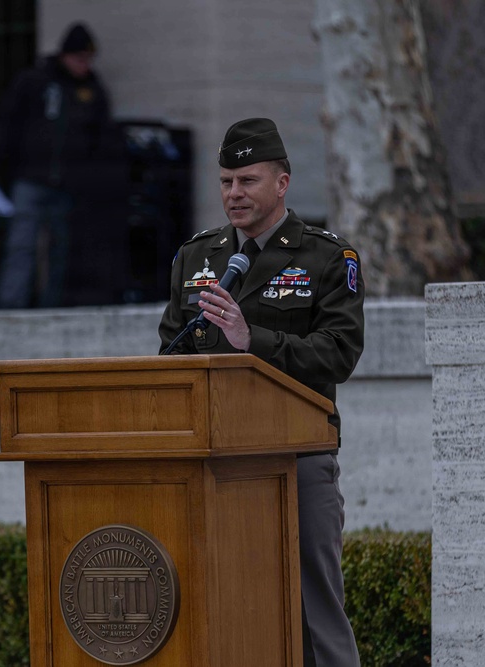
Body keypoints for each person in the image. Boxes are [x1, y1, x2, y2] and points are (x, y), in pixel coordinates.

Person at [158, 118, 365, 667]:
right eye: (226, 181)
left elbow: (339, 354)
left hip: (299, 457)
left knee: (317, 608)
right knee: (229, 606)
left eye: (247, 180)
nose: (233, 194)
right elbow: (170, 358)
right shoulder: (197, 258)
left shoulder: (326, 257)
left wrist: (255, 340)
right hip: (213, 461)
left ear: (282, 183)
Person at [0, 22, 112, 309]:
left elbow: (100, 139)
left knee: (61, 249)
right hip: (31, 178)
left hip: (69, 184)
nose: (84, 66)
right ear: (65, 55)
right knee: (22, 245)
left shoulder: (92, 90)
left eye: (88, 60)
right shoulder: (34, 82)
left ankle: (54, 304)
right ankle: (11, 305)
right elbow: (7, 125)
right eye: (79, 59)